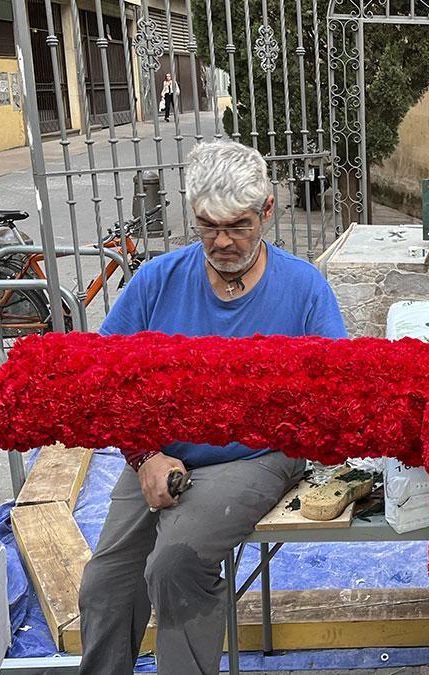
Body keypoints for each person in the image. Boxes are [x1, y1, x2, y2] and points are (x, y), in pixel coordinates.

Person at [77, 140, 347, 675]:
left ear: (267, 211)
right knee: (105, 583)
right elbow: (103, 375)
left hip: (255, 455)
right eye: (207, 226)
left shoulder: (304, 289)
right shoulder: (158, 280)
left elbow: (336, 390)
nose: (222, 241)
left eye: (238, 226)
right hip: (161, 452)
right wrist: (143, 455)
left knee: (175, 562)